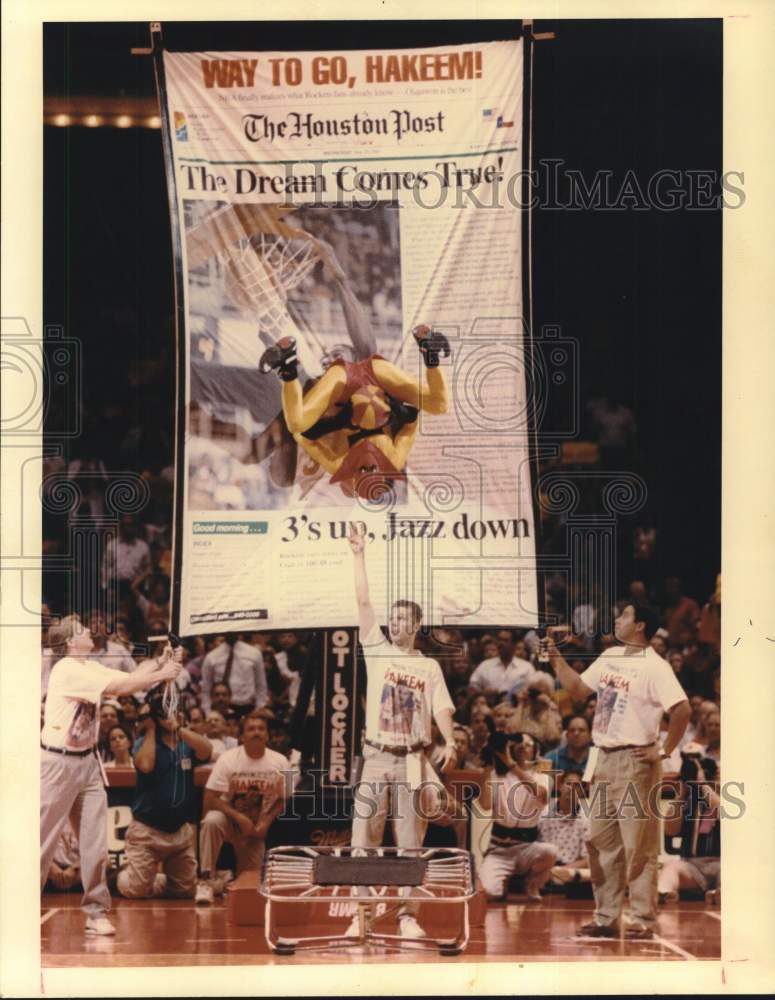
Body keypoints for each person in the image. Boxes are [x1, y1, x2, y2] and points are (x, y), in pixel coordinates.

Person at [544, 603, 690, 940]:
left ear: (639, 625)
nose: (616, 620)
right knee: (601, 842)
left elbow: (681, 709)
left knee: (638, 844)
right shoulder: (610, 655)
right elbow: (579, 691)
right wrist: (555, 657)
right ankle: (607, 917)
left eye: (623, 616)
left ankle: (641, 918)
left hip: (635, 759)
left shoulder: (655, 666)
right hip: (604, 756)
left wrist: (664, 749)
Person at [346, 525, 457, 939]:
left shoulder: (428, 666)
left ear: (417, 624)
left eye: (402, 618)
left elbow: (442, 707)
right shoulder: (376, 649)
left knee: (409, 840)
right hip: (375, 754)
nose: (394, 623)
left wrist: (450, 739)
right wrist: (358, 555)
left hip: (412, 758)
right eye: (391, 618)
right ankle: (363, 913)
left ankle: (408, 915)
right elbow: (362, 600)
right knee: (363, 838)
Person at [40, 616, 182, 936]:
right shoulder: (67, 669)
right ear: (69, 643)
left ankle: (96, 912)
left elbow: (130, 675)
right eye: (81, 630)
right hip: (57, 763)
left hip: (87, 762)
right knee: (42, 843)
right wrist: (164, 673)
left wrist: (161, 661)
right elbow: (125, 687)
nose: (89, 631)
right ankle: (18, 909)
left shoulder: (88, 665)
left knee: (95, 843)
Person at [116, 686, 212, 899]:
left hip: (179, 831)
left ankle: (152, 878)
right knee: (136, 891)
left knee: (185, 890)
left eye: (175, 709)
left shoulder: (186, 743)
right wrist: (150, 729)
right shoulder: (144, 742)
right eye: (166, 711)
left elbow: (207, 750)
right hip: (147, 831)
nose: (173, 714)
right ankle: (119, 876)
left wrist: (179, 729)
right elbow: (145, 765)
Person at [196, 712, 290, 905]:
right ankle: (205, 881)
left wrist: (265, 822)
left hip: (256, 829)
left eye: (261, 729)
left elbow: (283, 800)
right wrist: (239, 817)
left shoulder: (281, 762)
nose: (256, 733)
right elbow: (210, 797)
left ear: (267, 735)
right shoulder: (228, 759)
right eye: (251, 729)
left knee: (250, 891)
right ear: (241, 736)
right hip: (229, 820)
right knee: (212, 820)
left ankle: (224, 882)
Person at [477, 733, 557, 901]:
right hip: (499, 849)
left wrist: (511, 765)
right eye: (519, 744)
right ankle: (502, 884)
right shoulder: (497, 775)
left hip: (527, 848)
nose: (523, 747)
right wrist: (487, 767)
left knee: (550, 852)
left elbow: (541, 795)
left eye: (528, 744)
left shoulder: (543, 777)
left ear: (536, 750)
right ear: (510, 748)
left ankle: (532, 883)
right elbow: (485, 805)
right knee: (490, 893)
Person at [658, 745, 720, 904]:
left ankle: (718, 893)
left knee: (731, 873)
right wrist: (682, 792)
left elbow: (720, 811)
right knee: (672, 867)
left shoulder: (726, 794)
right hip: (692, 866)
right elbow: (670, 830)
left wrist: (703, 784)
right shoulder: (686, 799)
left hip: (722, 863)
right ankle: (664, 893)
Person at [538, 771, 591, 887]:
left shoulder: (586, 818)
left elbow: (587, 859)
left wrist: (558, 871)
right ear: (559, 786)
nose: (571, 789)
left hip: (570, 870)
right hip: (543, 868)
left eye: (577, 785)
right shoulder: (543, 813)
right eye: (568, 784)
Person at [201, 634, 268, 716]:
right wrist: (208, 713)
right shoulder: (211, 657)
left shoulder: (254, 654)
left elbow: (261, 685)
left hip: (247, 708)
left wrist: (259, 709)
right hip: (220, 709)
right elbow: (206, 689)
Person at [469, 629, 533, 702]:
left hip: (518, 709)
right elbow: (472, 687)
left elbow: (533, 691)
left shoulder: (526, 667)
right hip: (489, 709)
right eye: (499, 640)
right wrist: (483, 693)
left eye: (505, 640)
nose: (501, 643)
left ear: (514, 644)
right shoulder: (485, 665)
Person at [545, 715, 591, 779]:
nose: (576, 733)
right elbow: (543, 785)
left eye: (581, 730)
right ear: (566, 735)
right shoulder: (552, 758)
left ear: (590, 735)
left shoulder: (598, 758)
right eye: (572, 730)